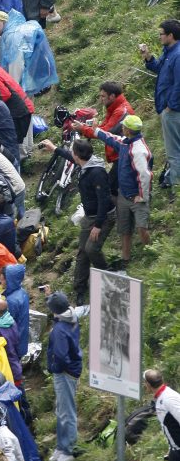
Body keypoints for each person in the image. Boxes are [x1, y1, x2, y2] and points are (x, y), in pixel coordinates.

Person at [39, 137, 115, 302]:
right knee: (82, 252)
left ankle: (109, 275)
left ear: (77, 155)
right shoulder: (86, 163)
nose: (71, 155)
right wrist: (54, 149)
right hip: (90, 216)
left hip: (103, 216)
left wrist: (98, 225)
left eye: (73, 152)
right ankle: (80, 289)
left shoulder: (96, 173)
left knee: (91, 249)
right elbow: (70, 156)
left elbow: (103, 200)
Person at [79, 114, 152, 268]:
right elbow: (111, 138)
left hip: (136, 197)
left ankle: (150, 254)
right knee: (124, 229)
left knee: (141, 228)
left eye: (123, 126)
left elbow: (144, 175)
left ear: (128, 130)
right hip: (124, 195)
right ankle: (126, 259)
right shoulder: (126, 143)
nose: (121, 128)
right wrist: (96, 131)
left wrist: (142, 196)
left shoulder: (138, 150)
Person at [142, 19, 180, 190]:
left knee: (173, 150)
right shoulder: (169, 51)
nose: (159, 36)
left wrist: (170, 106)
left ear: (170, 35)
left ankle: (175, 185)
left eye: (161, 34)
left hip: (173, 110)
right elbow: (161, 70)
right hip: (169, 108)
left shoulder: (178, 55)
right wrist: (149, 58)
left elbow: (179, 84)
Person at [46, 291, 82, 461]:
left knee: (66, 412)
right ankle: (61, 446)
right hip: (72, 369)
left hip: (65, 373)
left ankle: (69, 450)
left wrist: (55, 368)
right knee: (61, 410)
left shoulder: (59, 330)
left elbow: (60, 355)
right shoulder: (72, 317)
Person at [143, 368, 180, 461]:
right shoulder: (162, 396)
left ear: (147, 384)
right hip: (175, 448)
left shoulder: (168, 398)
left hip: (178, 450)